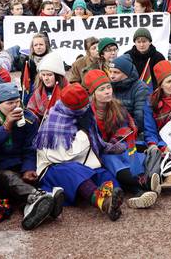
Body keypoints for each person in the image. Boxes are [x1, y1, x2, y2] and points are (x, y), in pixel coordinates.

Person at [0, 83, 64, 230]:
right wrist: (6, 126)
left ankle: (34, 209)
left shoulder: (29, 118)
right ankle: (39, 197)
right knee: (7, 177)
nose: (15, 106)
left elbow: (30, 148)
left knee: (29, 178)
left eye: (17, 102)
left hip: (17, 166)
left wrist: (28, 168)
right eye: (10, 103)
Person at [34, 84, 124, 221]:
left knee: (106, 176)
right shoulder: (54, 122)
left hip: (84, 164)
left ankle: (109, 198)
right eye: (82, 107)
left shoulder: (84, 114)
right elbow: (64, 156)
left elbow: (95, 143)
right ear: (72, 108)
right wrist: (84, 133)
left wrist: (106, 145)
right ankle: (100, 200)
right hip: (55, 168)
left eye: (86, 105)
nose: (86, 109)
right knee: (74, 171)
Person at [84, 69, 160, 208]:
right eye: (102, 89)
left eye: (108, 87)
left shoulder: (117, 106)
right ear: (93, 93)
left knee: (129, 154)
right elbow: (90, 140)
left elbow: (125, 129)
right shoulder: (86, 113)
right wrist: (109, 146)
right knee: (112, 160)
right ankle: (146, 184)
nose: (107, 91)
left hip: (119, 145)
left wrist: (117, 143)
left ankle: (140, 192)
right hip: (99, 152)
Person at [25, 52, 68, 120]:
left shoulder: (68, 91)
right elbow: (31, 112)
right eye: (43, 75)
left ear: (57, 76)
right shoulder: (38, 92)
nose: (46, 78)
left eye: (49, 75)